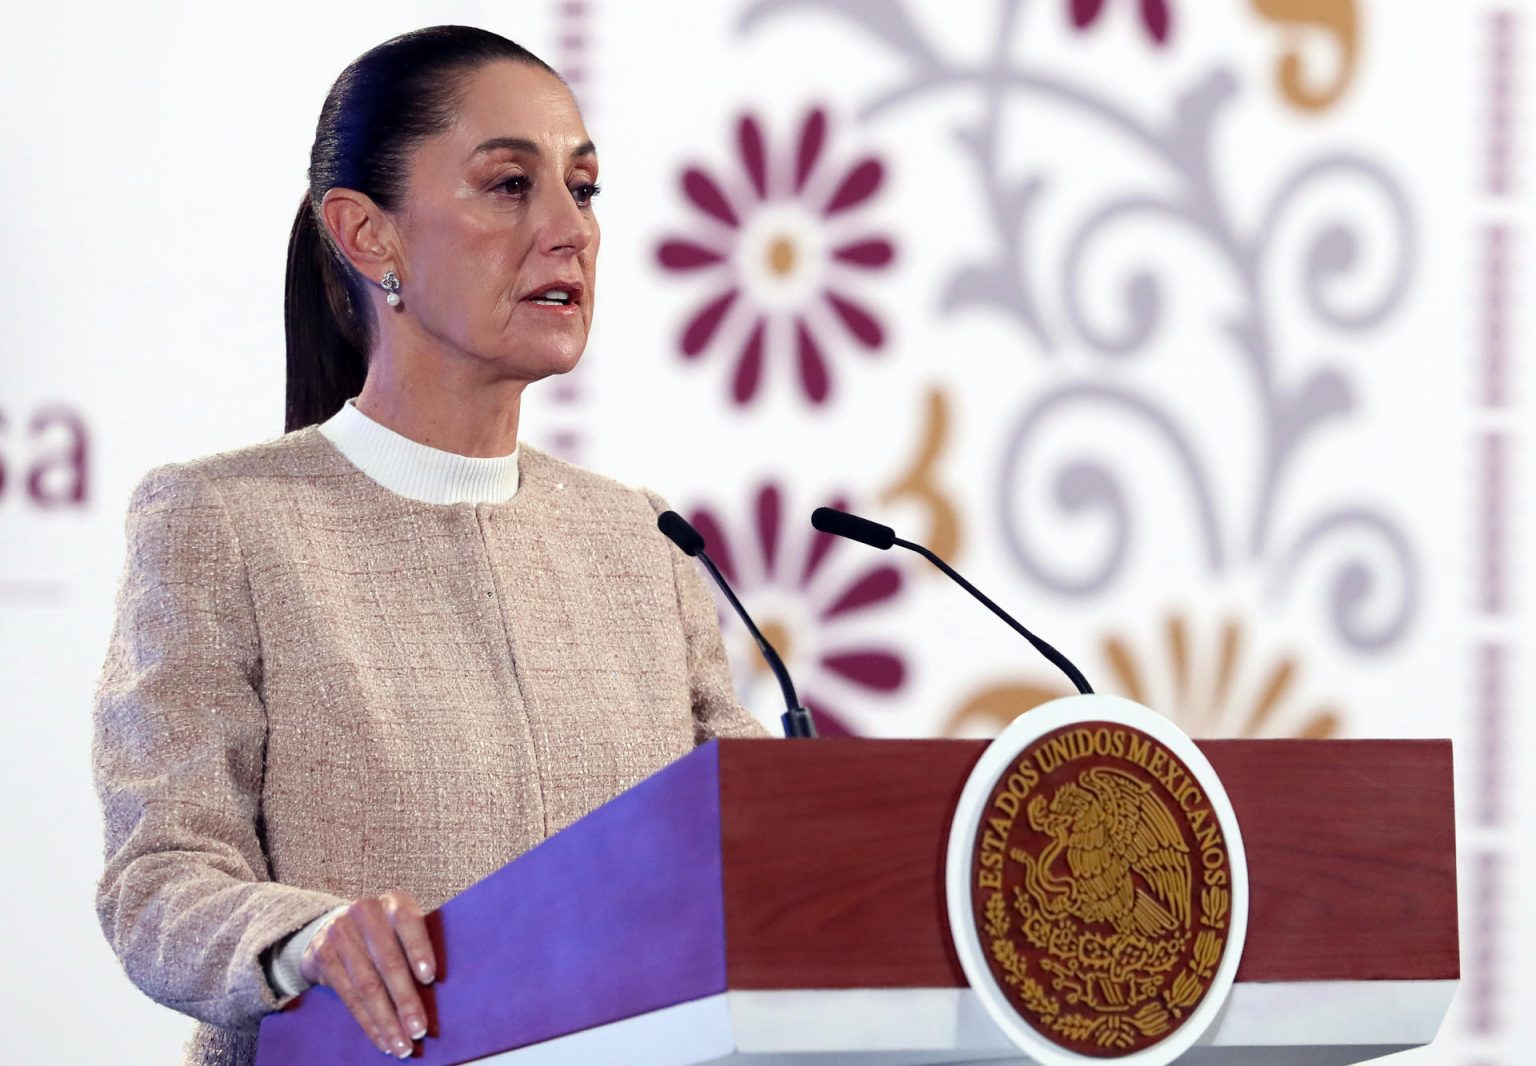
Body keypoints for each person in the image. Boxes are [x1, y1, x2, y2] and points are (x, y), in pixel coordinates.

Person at [92, 25, 766, 1066]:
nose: (569, 231)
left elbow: (755, 841)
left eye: (583, 190)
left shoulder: (643, 542)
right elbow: (159, 879)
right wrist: (306, 938)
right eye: (508, 185)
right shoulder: (224, 519)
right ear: (369, 235)